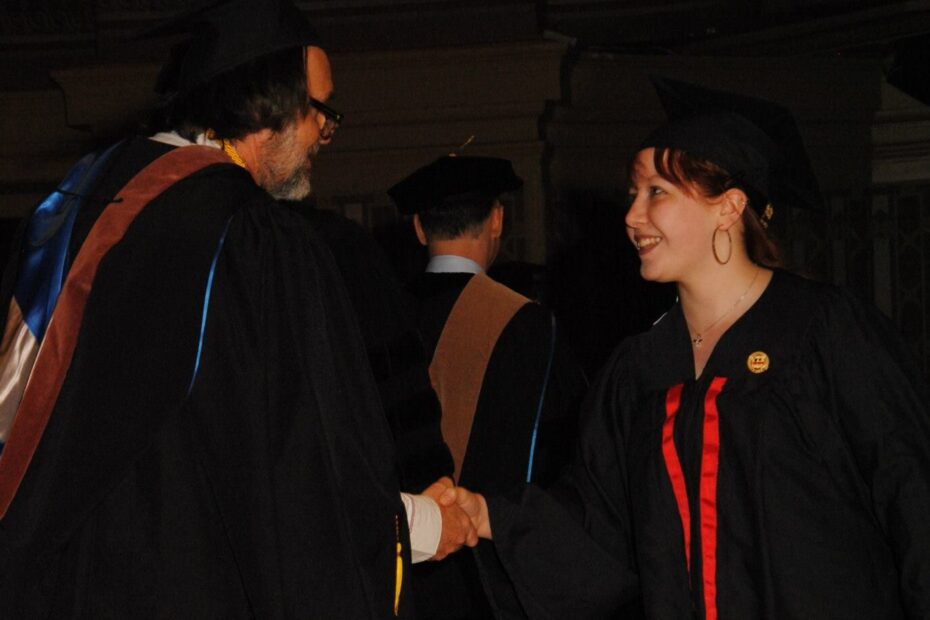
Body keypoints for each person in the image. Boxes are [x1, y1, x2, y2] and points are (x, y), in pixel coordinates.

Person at [0, 1, 474, 617]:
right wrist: (424, 524)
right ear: (271, 105)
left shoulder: (84, 197)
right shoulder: (250, 239)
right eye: (321, 114)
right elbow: (299, 477)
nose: (322, 139)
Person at [446, 77, 930, 619]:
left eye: (657, 192)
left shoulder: (824, 332)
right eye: (633, 193)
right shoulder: (640, 369)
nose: (631, 215)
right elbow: (599, 525)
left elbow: (912, 497)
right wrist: (488, 515)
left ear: (728, 207)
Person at [389, 155, 587, 619]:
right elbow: (566, 455)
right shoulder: (528, 324)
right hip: (492, 577)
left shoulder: (377, 314)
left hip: (399, 568)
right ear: (497, 220)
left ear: (419, 228)